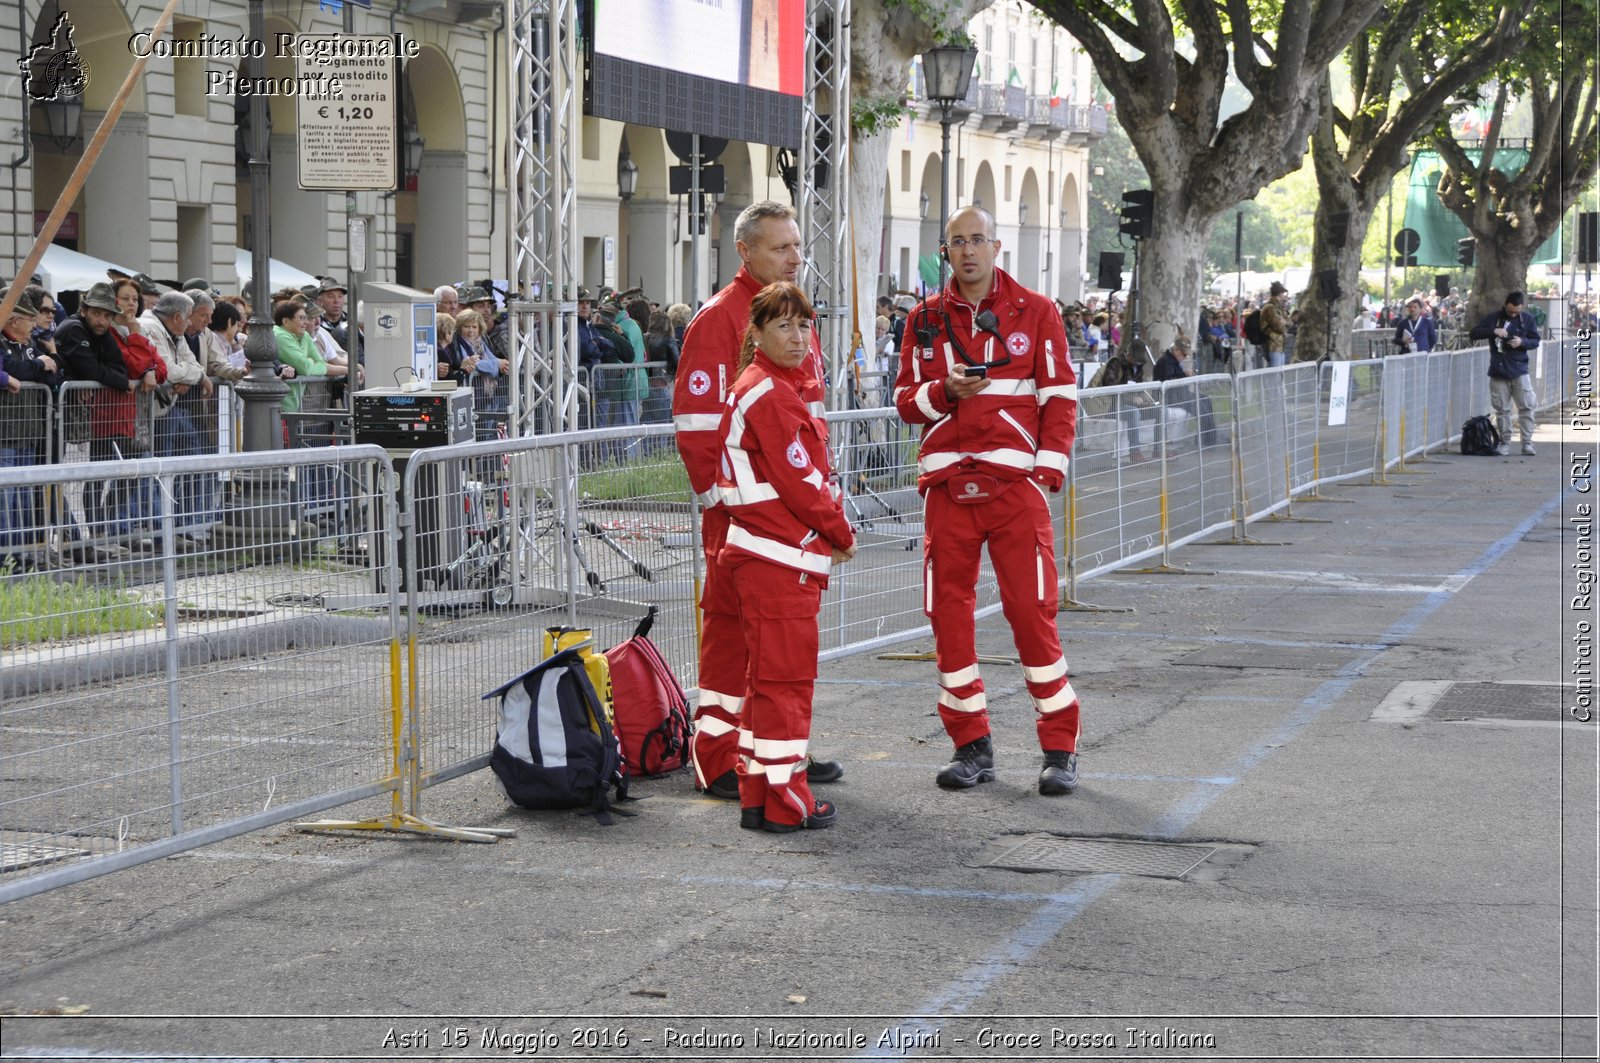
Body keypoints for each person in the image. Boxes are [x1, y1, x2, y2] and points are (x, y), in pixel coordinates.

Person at [893, 205, 1083, 797]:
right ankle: (971, 746)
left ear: (996, 246)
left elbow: (1059, 398)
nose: (968, 251)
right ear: (945, 251)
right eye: (957, 242)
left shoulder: (1038, 311)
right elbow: (904, 403)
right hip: (948, 490)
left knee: (1031, 613)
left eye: (978, 240)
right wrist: (941, 391)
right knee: (947, 619)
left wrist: (1044, 474)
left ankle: (1059, 748)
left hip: (1013, 490)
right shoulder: (922, 319)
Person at [672, 199, 844, 801]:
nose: (794, 258)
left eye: (796, 247)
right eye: (781, 248)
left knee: (776, 648)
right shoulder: (720, 319)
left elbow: (808, 422)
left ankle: (774, 755)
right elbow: (696, 427)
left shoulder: (790, 314)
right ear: (745, 251)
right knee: (731, 638)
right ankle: (718, 756)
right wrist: (730, 504)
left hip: (791, 518)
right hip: (742, 522)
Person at [716, 282, 856, 832]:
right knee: (785, 686)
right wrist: (841, 532)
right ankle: (786, 800)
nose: (798, 338)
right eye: (783, 327)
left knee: (764, 684)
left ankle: (759, 794)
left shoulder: (764, 386)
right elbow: (804, 484)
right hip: (778, 559)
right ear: (756, 333)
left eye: (804, 325)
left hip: (764, 556)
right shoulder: (771, 393)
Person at [1470, 290, 1541, 456]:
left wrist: (1521, 342)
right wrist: (1493, 331)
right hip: (1498, 370)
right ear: (1505, 306)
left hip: (1519, 370)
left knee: (1526, 407)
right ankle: (1504, 441)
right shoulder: (1494, 318)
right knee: (1502, 409)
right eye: (1510, 312)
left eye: (1517, 312)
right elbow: (1474, 333)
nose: (1514, 314)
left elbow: (1535, 340)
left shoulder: (1528, 320)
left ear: (1522, 308)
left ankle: (1527, 442)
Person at [1261, 282, 1290, 368]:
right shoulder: (1270, 308)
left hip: (1279, 345)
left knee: (1279, 374)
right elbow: (1279, 327)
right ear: (1280, 293)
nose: (1284, 296)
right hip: (1272, 345)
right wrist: (1285, 322)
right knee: (1275, 375)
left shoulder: (1277, 307)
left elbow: (1286, 322)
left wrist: (1285, 321)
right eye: (1283, 293)